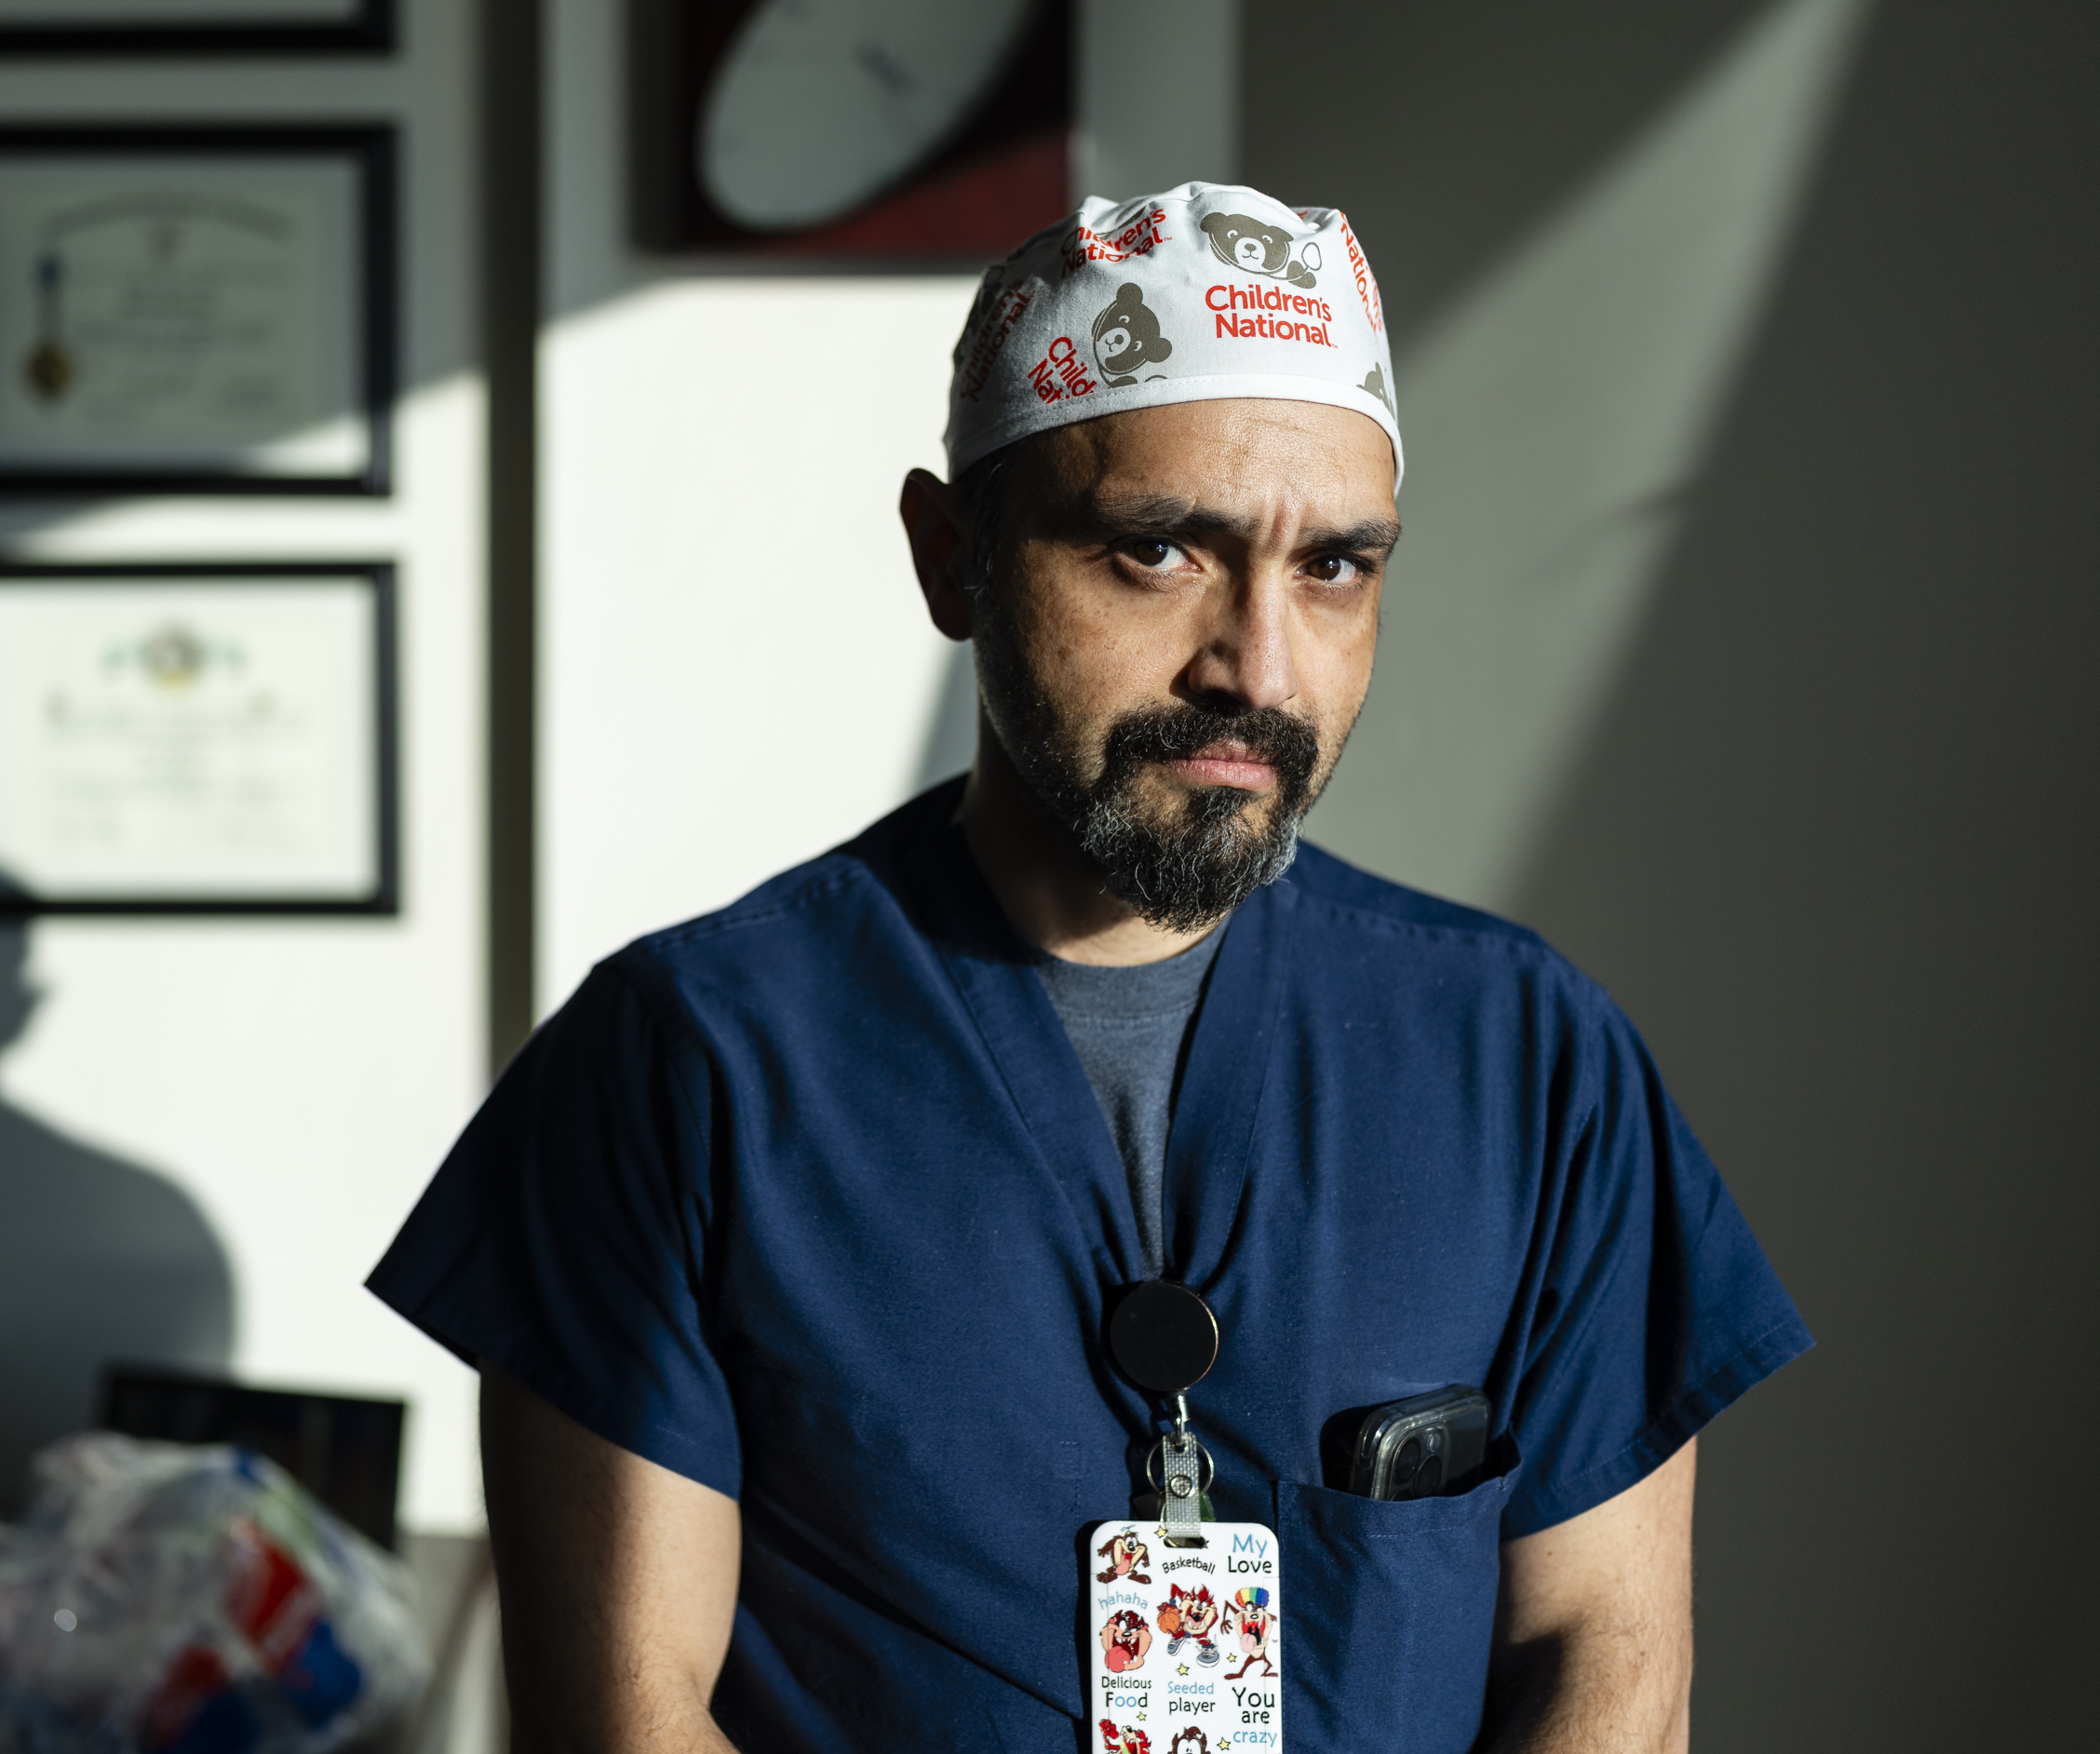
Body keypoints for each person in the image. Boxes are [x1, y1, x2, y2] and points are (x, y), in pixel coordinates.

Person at [370, 182, 1811, 1753]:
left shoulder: (1527, 1063)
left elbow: (1611, 1667)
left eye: (1335, 567)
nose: (1259, 667)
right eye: (1157, 549)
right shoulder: (688, 1065)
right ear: (954, 560)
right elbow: (626, 1714)